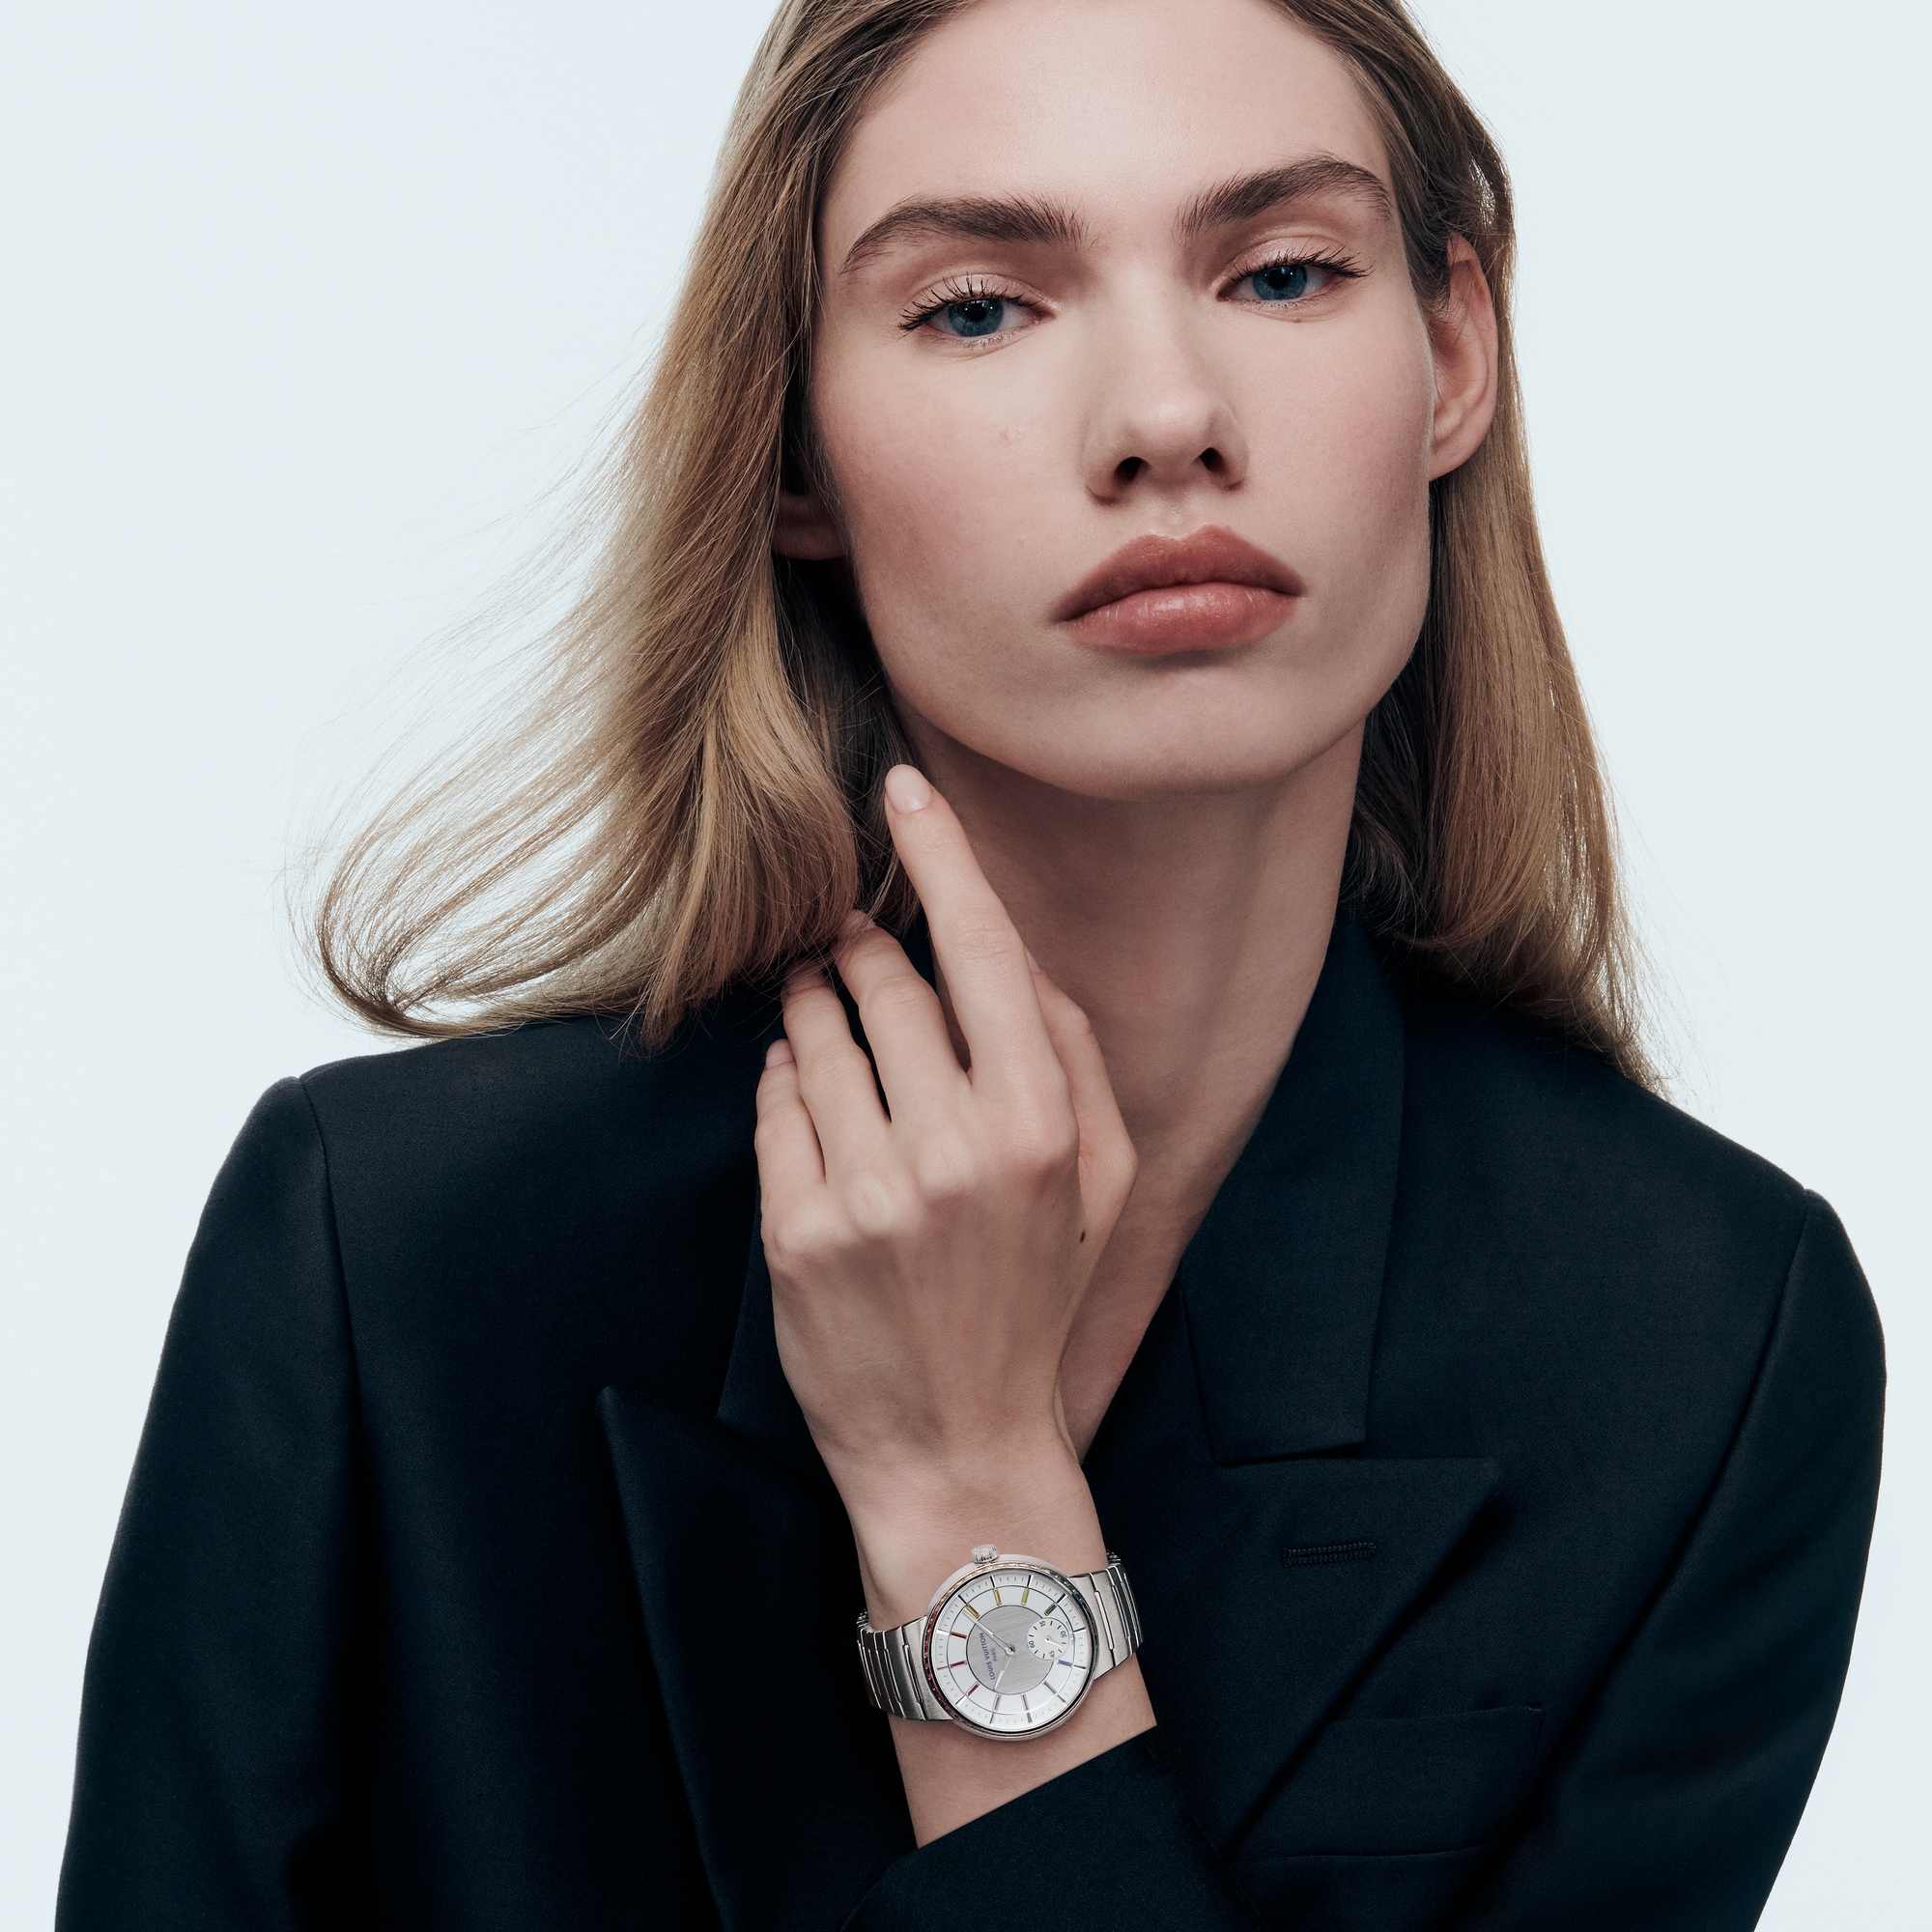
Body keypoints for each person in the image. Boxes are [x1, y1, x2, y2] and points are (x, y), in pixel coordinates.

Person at [57, 0, 1884, 1927]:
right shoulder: (393, 1248)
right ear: (793, 452)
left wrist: (970, 1514)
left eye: (1281, 271)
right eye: (978, 308)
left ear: (1451, 355)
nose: (1165, 416)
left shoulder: (1703, 1338)